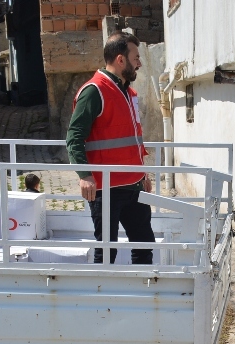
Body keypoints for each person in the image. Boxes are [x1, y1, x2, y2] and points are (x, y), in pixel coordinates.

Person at [65, 32, 154, 264]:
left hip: (134, 185)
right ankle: (102, 298)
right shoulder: (94, 91)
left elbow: (133, 137)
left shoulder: (129, 92)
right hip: (106, 188)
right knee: (106, 251)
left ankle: (142, 296)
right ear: (120, 59)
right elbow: (74, 136)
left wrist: (143, 173)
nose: (140, 63)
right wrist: (84, 175)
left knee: (144, 245)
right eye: (136, 57)